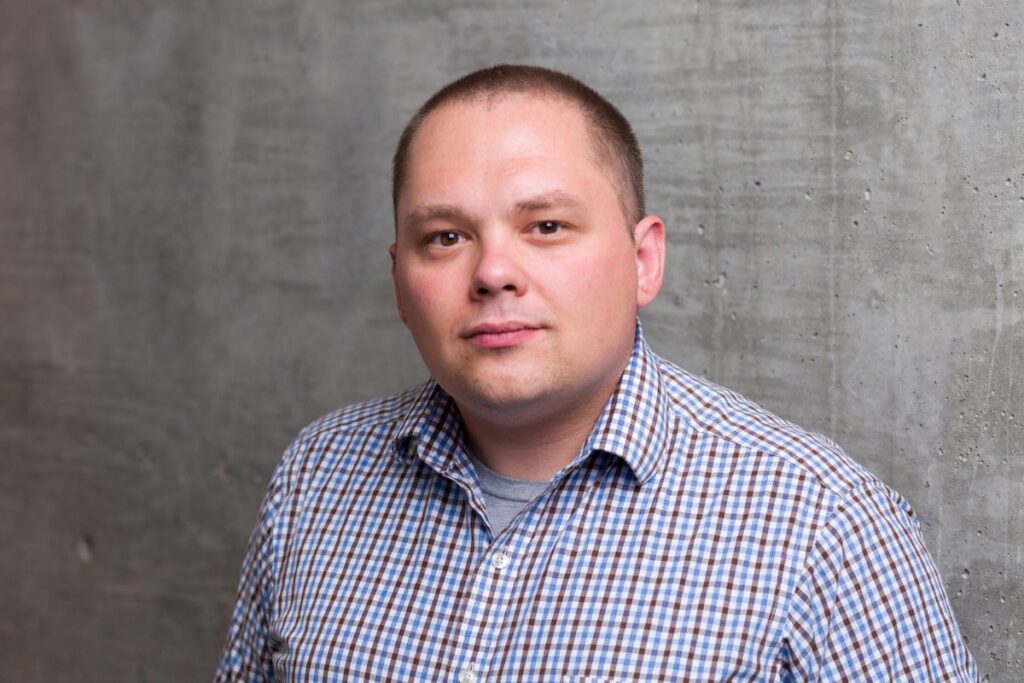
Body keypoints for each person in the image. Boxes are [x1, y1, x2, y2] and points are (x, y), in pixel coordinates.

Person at [216, 65, 978, 681]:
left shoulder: (824, 526)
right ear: (399, 282)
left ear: (643, 261)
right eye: (445, 236)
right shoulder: (316, 478)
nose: (494, 272)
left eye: (545, 226)